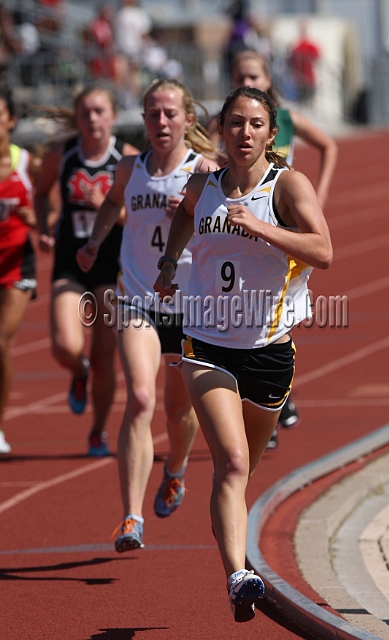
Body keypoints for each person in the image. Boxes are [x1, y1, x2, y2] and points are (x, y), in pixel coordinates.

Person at [154, 86, 332, 621]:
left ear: (270, 133)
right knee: (231, 463)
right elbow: (185, 215)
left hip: (269, 352)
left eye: (255, 124)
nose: (245, 133)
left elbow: (323, 251)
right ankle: (238, 575)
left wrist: (260, 227)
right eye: (235, 123)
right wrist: (168, 262)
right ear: (220, 130)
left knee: (240, 475)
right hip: (206, 343)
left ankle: (233, 551)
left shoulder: (287, 186)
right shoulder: (204, 183)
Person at [76, 78, 220, 551]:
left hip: (188, 307)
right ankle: (131, 518)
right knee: (140, 397)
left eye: (170, 114)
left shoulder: (205, 171)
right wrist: (96, 241)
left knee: (179, 409)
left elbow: (228, 234)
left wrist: (200, 214)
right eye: (153, 114)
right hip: (136, 298)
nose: (161, 122)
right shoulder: (129, 167)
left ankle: (175, 470)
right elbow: (114, 203)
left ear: (188, 120)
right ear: (143, 120)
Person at [208, 49, 338, 444]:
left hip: (281, 217)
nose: (247, 82)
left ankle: (276, 394)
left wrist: (320, 194)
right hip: (244, 216)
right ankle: (273, 398)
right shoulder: (232, 123)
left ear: (267, 80)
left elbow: (329, 146)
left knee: (277, 305)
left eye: (254, 76)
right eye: (239, 76)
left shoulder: (288, 120)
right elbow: (214, 161)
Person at [34, 85, 139, 457]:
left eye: (99, 112)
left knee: (105, 359)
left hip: (112, 268)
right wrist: (45, 225)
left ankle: (97, 431)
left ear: (112, 116)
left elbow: (143, 219)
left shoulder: (128, 159)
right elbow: (41, 191)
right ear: (77, 118)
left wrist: (110, 208)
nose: (92, 119)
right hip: (70, 263)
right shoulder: (62, 157)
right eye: (85, 113)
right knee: (66, 345)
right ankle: (77, 372)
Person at [0, 88, 37, 454]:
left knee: (1, 342)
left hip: (18, 263)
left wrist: (37, 219)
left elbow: (49, 211)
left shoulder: (26, 162)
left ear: (10, 120)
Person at [288, 19, 321, 106]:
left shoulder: (310, 45)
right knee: (301, 101)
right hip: (299, 78)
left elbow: (317, 57)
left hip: (309, 77)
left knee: (309, 100)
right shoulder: (296, 45)